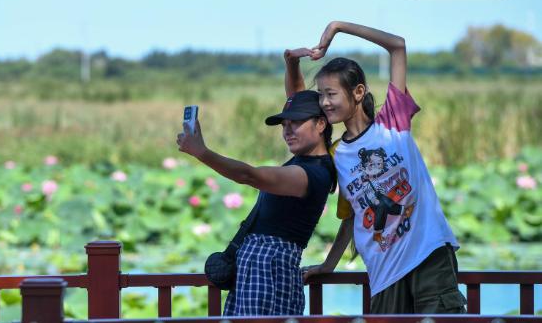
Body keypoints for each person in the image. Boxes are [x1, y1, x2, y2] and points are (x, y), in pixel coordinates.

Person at [285, 21, 466, 314]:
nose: (325, 102)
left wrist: (338, 27)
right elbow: (350, 219)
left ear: (357, 92)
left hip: (429, 255)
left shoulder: (393, 121)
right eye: (321, 94)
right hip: (384, 273)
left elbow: (398, 46)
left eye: (331, 94)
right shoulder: (336, 153)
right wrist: (329, 264)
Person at [177, 90, 336, 316]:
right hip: (257, 268)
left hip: (268, 268)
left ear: (321, 124)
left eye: (296, 122)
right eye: (284, 124)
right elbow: (297, 92)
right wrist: (291, 63)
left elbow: (250, 176)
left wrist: (202, 153)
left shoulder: (312, 173)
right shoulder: (303, 159)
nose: (287, 130)